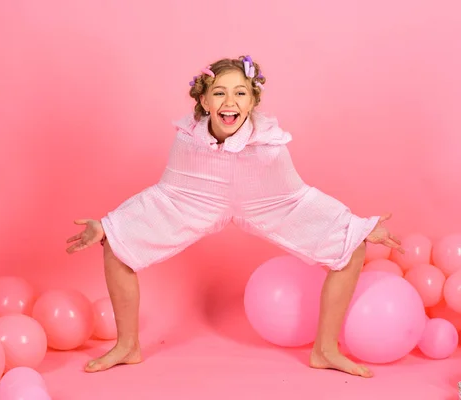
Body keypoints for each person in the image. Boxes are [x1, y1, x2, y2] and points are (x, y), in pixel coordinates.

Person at [66, 55, 404, 378]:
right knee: (114, 240)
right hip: (198, 199)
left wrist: (352, 223)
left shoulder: (270, 145)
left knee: (351, 243)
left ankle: (326, 350)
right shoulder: (189, 141)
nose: (230, 101)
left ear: (253, 102)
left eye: (240, 93)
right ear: (204, 102)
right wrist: (112, 222)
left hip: (264, 201)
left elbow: (297, 196)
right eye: (220, 93)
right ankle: (128, 346)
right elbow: (167, 192)